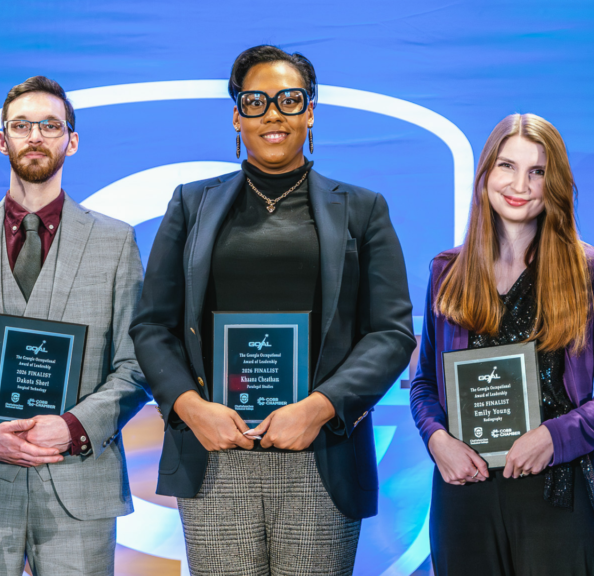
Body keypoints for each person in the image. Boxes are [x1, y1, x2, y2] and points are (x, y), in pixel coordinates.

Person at [130, 45, 416, 575]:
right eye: (256, 101)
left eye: (289, 99)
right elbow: (151, 326)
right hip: (215, 450)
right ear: (237, 116)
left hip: (321, 452)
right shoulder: (190, 204)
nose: (273, 114)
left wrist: (322, 406)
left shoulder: (362, 208)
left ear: (310, 112)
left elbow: (392, 333)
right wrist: (193, 408)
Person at [0, 75, 150, 576]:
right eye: (22, 126)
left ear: (72, 140)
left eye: (50, 125)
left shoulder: (115, 243)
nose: (36, 136)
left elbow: (136, 367)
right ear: (3, 140)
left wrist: (72, 428)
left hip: (77, 483)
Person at [409, 113, 594, 575]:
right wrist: (437, 440)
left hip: (557, 488)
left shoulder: (590, 271)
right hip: (463, 490)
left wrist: (554, 438)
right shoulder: (446, 271)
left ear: (555, 184)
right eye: (507, 166)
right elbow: (424, 384)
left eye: (537, 171)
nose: (521, 184)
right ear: (486, 174)